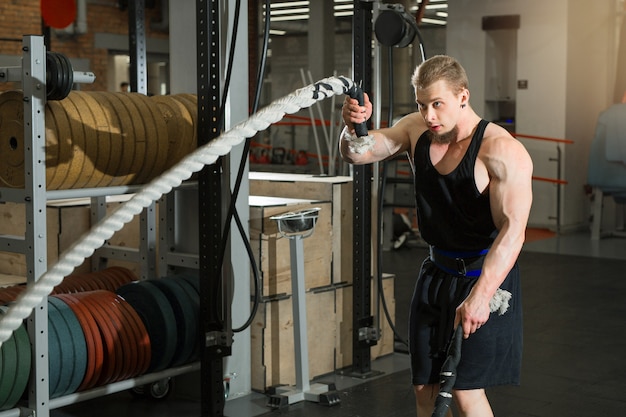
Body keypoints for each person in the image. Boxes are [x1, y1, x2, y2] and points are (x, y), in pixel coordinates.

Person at [340, 55, 533, 417]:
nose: (429, 115)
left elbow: (514, 232)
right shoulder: (416, 129)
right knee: (424, 387)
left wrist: (481, 297)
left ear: (463, 96)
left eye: (437, 104)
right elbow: (359, 154)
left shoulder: (502, 151)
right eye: (421, 104)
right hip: (436, 275)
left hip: (484, 279)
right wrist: (353, 127)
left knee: (463, 390)